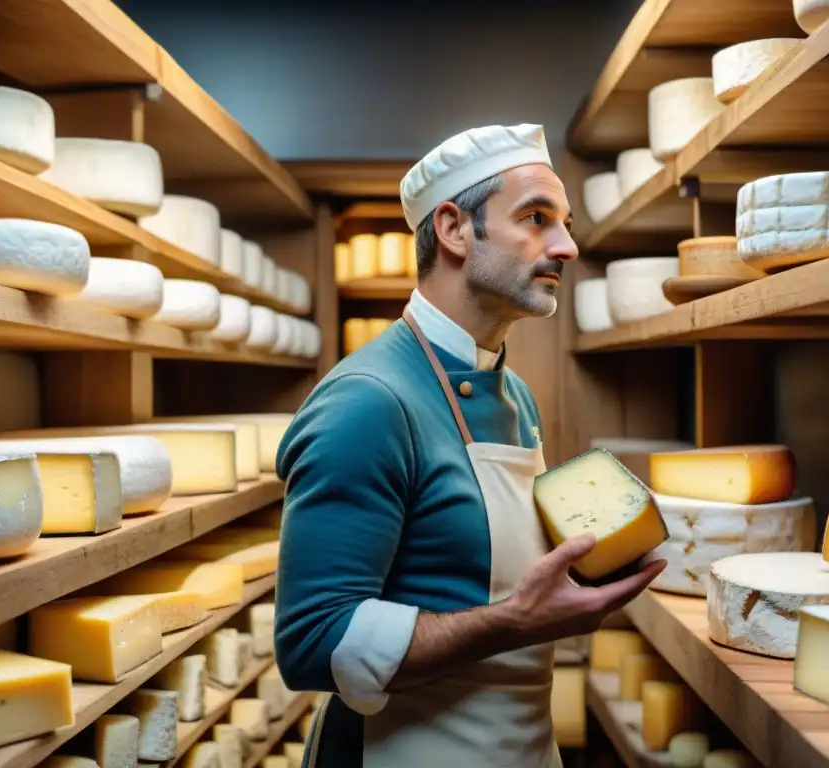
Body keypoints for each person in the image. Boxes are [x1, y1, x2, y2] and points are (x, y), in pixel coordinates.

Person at [273, 123, 666, 767]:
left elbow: (489, 572)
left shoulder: (516, 395)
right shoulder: (369, 401)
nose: (566, 246)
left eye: (563, 222)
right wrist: (516, 621)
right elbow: (312, 641)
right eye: (536, 218)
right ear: (455, 229)